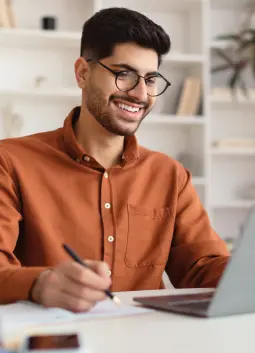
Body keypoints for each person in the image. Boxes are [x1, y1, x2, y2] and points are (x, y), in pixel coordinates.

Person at [0, 7, 229, 311]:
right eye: (124, 74)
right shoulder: (11, 162)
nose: (140, 93)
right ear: (83, 73)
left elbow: (202, 268)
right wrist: (39, 283)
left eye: (150, 79)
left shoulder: (170, 175)